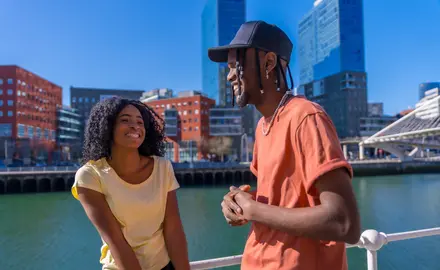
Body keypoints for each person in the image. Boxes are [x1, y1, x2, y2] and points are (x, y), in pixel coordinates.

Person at [209, 21, 361, 270]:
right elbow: (285, 200)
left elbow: (344, 223)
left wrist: (253, 209)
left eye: (235, 66)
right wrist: (241, 203)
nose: (229, 75)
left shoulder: (306, 117)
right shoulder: (263, 126)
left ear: (269, 63)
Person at [71, 97, 190, 270]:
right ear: (108, 126)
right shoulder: (90, 176)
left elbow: (173, 228)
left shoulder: (162, 167)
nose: (135, 126)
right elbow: (116, 240)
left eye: (140, 122)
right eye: (125, 120)